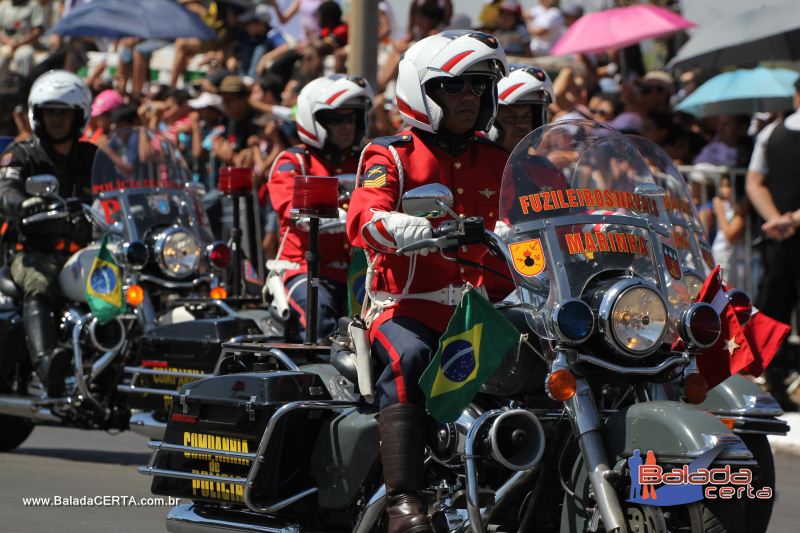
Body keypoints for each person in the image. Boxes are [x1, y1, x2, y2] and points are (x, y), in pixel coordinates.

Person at [346, 30, 507, 532]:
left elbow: (532, 217)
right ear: (423, 92)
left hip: (478, 313)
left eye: (479, 88)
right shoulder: (390, 155)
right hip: (406, 308)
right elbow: (365, 220)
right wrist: (416, 227)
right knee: (409, 359)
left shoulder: (498, 160)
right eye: (455, 88)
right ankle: (403, 503)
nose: (470, 99)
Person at [0, 70, 96, 396]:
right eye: (50, 112)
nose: (57, 120)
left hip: (83, 254)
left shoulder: (91, 156)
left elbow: (117, 187)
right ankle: (47, 363)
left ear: (78, 116)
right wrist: (23, 202)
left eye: (64, 113)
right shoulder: (23, 154)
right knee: (39, 282)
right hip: (34, 251)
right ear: (37, 115)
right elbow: (5, 188)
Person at [266, 74, 373, 342]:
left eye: (351, 118)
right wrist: (353, 216)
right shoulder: (294, 162)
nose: (346, 126)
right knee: (319, 316)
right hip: (305, 269)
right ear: (313, 121)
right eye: (336, 119)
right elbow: (294, 212)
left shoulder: (366, 162)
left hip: (358, 272)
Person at [745, 78, 800, 411]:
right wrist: (787, 220)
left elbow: (754, 182)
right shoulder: (771, 132)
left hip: (779, 236)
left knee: (774, 309)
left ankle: (774, 379)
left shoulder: (770, 133)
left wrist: (777, 220)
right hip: (784, 231)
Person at [484, 64, 553, 301]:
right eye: (511, 116)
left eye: (528, 116)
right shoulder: (475, 162)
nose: (522, 125)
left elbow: (573, 215)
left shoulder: (545, 168)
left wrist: (599, 223)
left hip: (548, 282)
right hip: (491, 286)